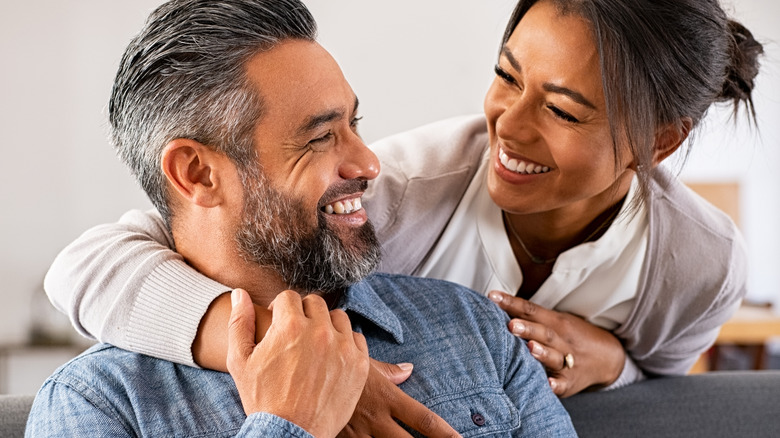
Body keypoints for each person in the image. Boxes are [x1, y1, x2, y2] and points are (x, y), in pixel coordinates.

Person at [44, 0, 762, 404]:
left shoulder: (699, 263)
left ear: (658, 143)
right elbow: (99, 261)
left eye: (564, 111)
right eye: (506, 77)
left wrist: (613, 361)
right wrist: (272, 350)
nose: (507, 126)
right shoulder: (397, 194)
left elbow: (663, 386)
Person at [27, 0, 576, 437]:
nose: (368, 163)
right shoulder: (98, 405)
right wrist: (288, 425)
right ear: (197, 173)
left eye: (355, 124)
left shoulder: (475, 329)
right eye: (319, 138)